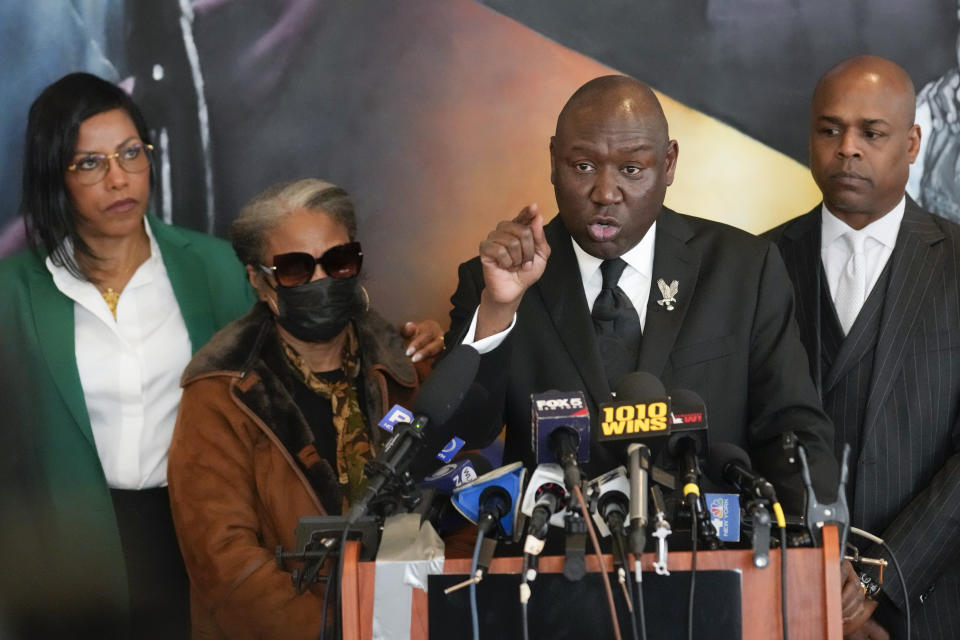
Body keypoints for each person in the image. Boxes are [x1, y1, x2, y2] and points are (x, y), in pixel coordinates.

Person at [447, 75, 838, 516]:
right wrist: (499, 309)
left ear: (668, 163)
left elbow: (792, 429)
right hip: (555, 566)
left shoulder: (744, 270)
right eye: (583, 167)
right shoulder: (494, 284)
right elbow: (459, 435)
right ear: (554, 160)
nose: (605, 193)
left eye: (631, 170)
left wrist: (819, 542)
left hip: (710, 562)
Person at [0, 72, 254, 639]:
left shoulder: (214, 270)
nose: (118, 178)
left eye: (131, 153)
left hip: (193, 543)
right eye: (89, 163)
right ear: (55, 176)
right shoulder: (12, 292)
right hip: (60, 561)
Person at [167, 179, 443, 639]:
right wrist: (342, 632)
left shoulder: (405, 369)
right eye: (295, 268)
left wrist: (430, 616)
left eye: (337, 261)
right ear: (260, 281)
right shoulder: (220, 392)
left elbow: (461, 499)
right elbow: (226, 565)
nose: (320, 280)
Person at [766, 55, 960, 639]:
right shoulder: (756, 265)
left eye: (871, 133)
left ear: (913, 143)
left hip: (925, 606)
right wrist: (811, 578)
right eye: (830, 130)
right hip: (782, 600)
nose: (847, 148)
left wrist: (878, 582)